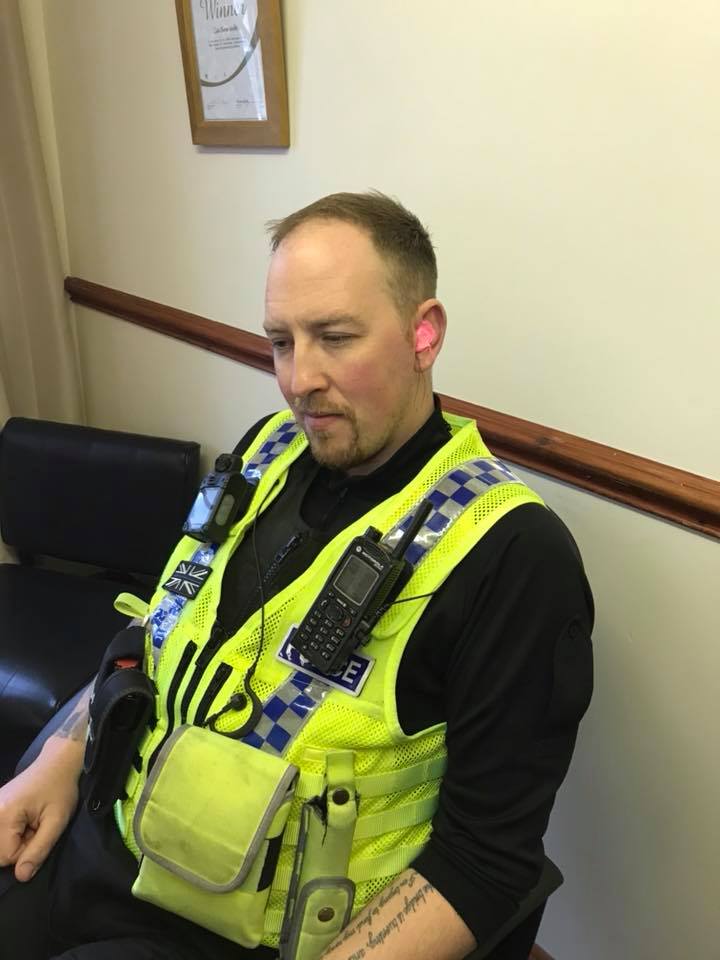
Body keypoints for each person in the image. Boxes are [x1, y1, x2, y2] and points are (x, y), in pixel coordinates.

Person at [0, 192, 593, 960]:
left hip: (238, 934)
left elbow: (482, 864)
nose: (297, 379)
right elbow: (166, 630)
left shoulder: (512, 555)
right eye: (280, 341)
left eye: (336, 338)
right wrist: (60, 758)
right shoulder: (267, 452)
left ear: (424, 333)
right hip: (106, 833)